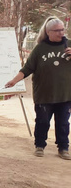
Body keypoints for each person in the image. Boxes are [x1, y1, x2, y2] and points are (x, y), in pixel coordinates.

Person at [5, 16, 71, 160]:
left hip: (65, 94)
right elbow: (27, 68)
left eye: (62, 30)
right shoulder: (40, 49)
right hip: (44, 94)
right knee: (42, 122)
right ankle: (40, 146)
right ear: (49, 32)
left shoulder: (69, 45)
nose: (61, 33)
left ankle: (63, 148)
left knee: (63, 123)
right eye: (57, 30)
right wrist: (14, 81)